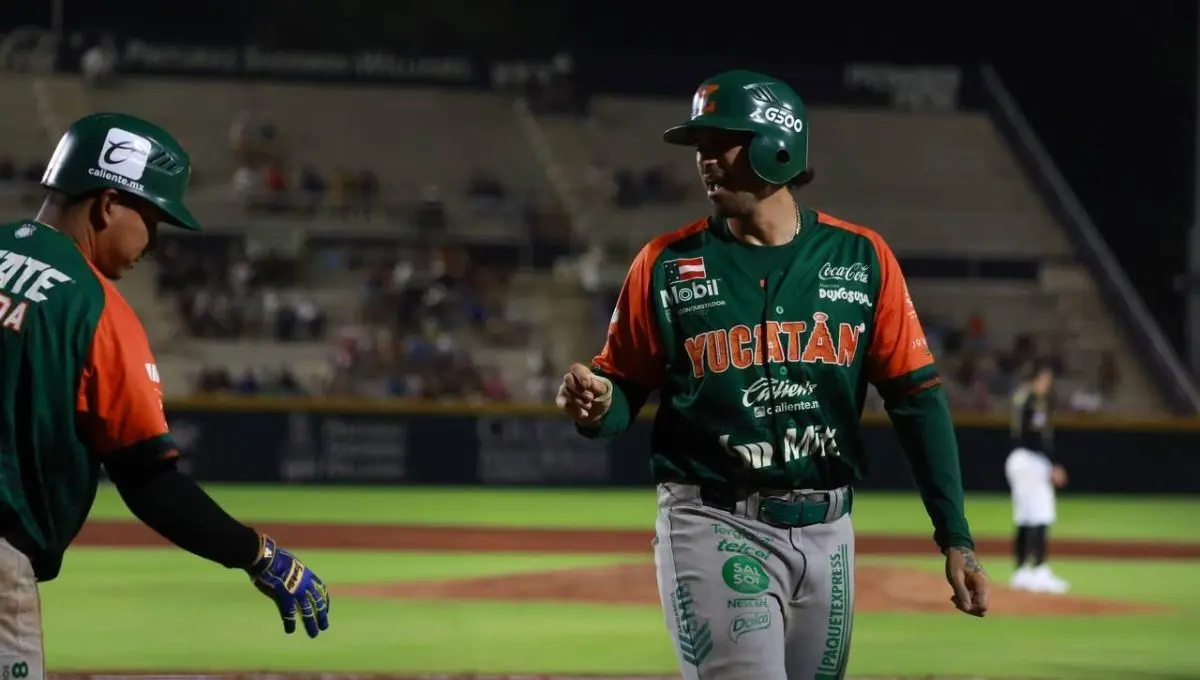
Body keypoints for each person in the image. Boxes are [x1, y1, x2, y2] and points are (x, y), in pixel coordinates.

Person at [556, 70, 988, 680]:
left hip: (827, 528)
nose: (704, 160)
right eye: (699, 146)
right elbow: (622, 387)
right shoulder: (665, 263)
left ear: (776, 144)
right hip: (713, 519)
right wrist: (599, 404)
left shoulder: (861, 259)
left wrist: (956, 538)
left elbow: (917, 400)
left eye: (720, 141)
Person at [0, 113, 330, 677]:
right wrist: (258, 556)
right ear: (108, 204)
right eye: (152, 218)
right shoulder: (96, 310)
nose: (153, 241)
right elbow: (149, 481)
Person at [1005, 362, 1069, 593]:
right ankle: (1040, 571)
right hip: (1031, 460)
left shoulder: (1020, 398)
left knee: (1024, 517)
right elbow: (1035, 437)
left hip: (1016, 459)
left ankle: (1021, 572)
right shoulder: (1033, 402)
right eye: (1043, 380)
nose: (1046, 384)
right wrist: (1053, 465)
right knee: (1042, 515)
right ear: (1034, 379)